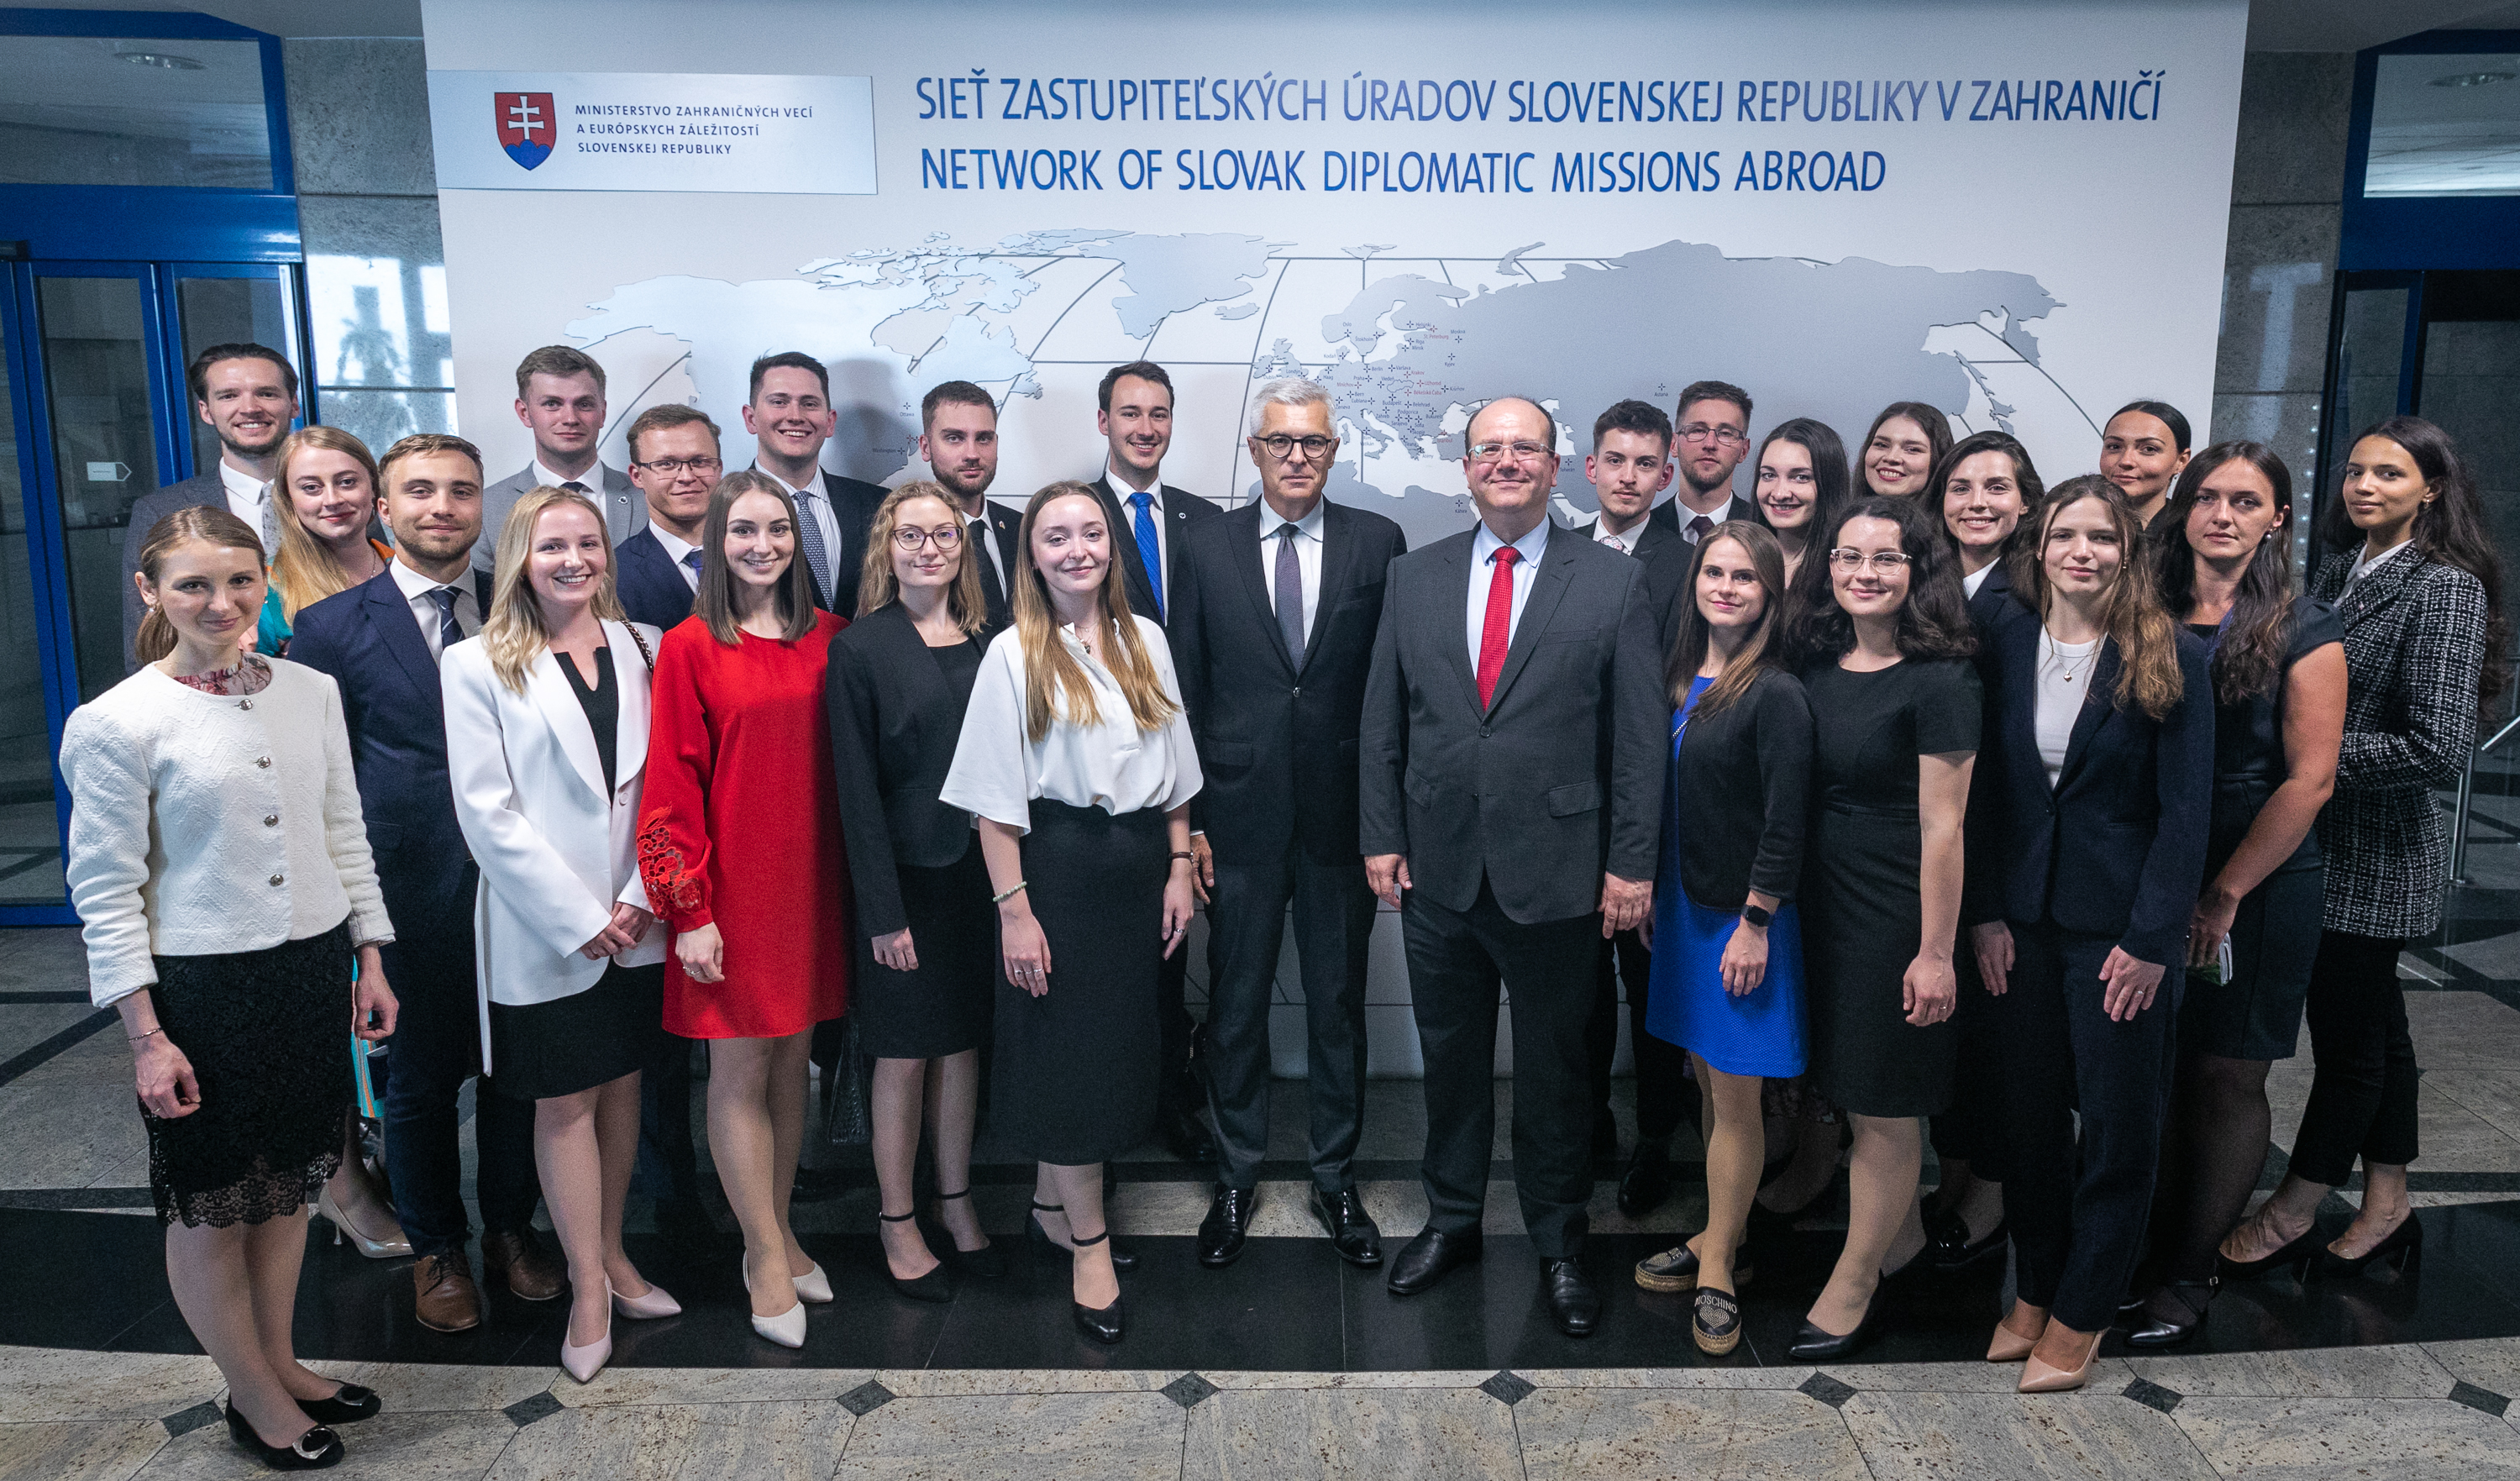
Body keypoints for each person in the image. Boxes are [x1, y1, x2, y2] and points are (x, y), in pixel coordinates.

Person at [64, 505, 396, 1468]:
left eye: (241, 580)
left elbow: (346, 830)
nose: (221, 601)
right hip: (200, 992)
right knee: (212, 1200)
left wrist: (368, 953)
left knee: (288, 1184)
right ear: (151, 591)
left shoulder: (309, 690)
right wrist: (145, 1036)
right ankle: (252, 1395)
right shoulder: (117, 721)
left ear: (267, 582)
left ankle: (282, 1358)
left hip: (305, 970)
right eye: (195, 584)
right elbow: (106, 890)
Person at [1360, 395, 1665, 1338]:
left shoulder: (1609, 582)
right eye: (1488, 447)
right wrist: (1381, 835)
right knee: (1450, 1063)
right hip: (1437, 872)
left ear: (1555, 465)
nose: (1506, 461)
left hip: (1562, 873)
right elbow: (1383, 723)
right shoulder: (1415, 576)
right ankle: (1452, 1220)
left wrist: (1631, 864)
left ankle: (1560, 1239)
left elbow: (1640, 743)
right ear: (1465, 467)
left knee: (1556, 1073)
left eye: (1524, 447)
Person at [2220, 416, 2507, 1283]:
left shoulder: (2446, 587)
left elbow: (2437, 745)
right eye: (2354, 471)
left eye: (2389, 473)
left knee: (2348, 1041)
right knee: (2381, 1029)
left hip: (2374, 855)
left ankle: (2295, 1205)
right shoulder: (2344, 571)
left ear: (2433, 488)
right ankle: (2388, 1201)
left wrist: (2304, 758)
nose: (2364, 485)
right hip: (2321, 843)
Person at [291, 433, 567, 1333]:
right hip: (410, 893)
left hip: (521, 884)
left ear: (484, 503)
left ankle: (512, 1231)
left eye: (460, 489)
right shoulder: (334, 626)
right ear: (383, 504)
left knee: (518, 1072)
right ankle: (436, 1247)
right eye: (420, 490)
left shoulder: (523, 606)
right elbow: (319, 778)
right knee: (417, 1083)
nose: (441, 505)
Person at [940, 481, 1203, 1344]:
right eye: (1057, 535)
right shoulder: (1014, 653)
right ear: (1033, 554)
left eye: (1091, 531)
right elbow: (991, 803)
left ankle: (1055, 1206)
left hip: (1134, 873)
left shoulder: (1146, 640)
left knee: (1119, 1047)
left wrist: (1176, 866)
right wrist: (1015, 910)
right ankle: (1089, 1245)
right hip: (1055, 872)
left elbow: (1174, 771)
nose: (1078, 548)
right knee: (1069, 1058)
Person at [1971, 478, 2213, 1392]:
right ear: (2039, 547)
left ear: (2129, 549)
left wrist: (2152, 941)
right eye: (2065, 533)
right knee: (2028, 1122)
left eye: (2101, 536)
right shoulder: (2002, 641)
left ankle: (2082, 1310)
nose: (2083, 550)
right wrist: (1987, 911)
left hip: (2119, 936)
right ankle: (2033, 1288)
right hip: (2019, 925)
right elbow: (1987, 795)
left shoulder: (2171, 653)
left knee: (2117, 1127)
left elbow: (2187, 817)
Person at [1167, 379, 1408, 1268]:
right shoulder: (1205, 545)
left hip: (1345, 822)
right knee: (1233, 1008)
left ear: (1333, 451)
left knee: (1339, 1007)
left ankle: (1334, 1177)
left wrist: (1390, 820)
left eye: (1312, 442)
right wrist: (1185, 826)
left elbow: (1391, 696)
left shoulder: (1378, 543)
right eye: (1280, 441)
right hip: (1236, 820)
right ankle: (1235, 1175)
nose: (1297, 455)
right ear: (1255, 449)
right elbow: (1182, 694)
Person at [443, 489, 678, 1384]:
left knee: (622, 1090)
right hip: (545, 927)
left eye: (587, 542)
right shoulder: (476, 664)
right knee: (564, 1101)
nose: (573, 558)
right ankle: (585, 1284)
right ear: (519, 557)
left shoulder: (648, 645)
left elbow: (662, 789)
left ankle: (616, 1255)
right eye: (552, 545)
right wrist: (581, 915)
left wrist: (637, 896)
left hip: (639, 913)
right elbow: (486, 810)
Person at [2125, 444, 2343, 1346]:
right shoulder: (2148, 609)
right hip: (2156, 865)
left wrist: (2223, 893)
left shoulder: (2307, 625)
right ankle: (2151, 1240)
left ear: (2278, 517)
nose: (2221, 513)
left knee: (2227, 1072)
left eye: (2245, 500)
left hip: (2258, 881)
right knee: (2161, 1064)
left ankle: (2191, 1266)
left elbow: (2310, 780)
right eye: (2207, 496)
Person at [637, 470, 851, 1348]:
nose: (761, 544)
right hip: (732, 891)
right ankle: (762, 1252)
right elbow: (670, 784)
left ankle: (785, 1228)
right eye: (743, 531)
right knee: (738, 1072)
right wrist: (689, 908)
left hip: (817, 884)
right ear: (717, 541)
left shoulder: (834, 637)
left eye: (777, 529)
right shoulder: (690, 645)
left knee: (794, 1057)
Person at [1782, 495, 1979, 1363]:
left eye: (1887, 558)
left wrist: (1936, 953)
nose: (1865, 571)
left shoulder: (1944, 677)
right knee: (1847, 1087)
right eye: (1849, 556)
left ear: (1918, 571)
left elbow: (1946, 827)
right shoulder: (1815, 662)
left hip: (1894, 911)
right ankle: (1895, 1245)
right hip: (1817, 905)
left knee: (1884, 1107)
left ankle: (1855, 1281)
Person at [1629, 522, 1813, 1358]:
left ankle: (1719, 1272)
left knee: (1735, 1097)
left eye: (1747, 576)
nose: (1728, 586)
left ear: (1771, 595)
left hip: (1742, 925)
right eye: (1716, 570)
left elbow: (1787, 822)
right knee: (1708, 1085)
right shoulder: (1679, 679)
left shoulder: (1773, 690)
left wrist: (1757, 921)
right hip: (1684, 911)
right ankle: (1718, 1229)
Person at [826, 481, 1005, 1302]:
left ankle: (956, 1198)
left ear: (961, 546)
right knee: (900, 1056)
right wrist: (881, 912)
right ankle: (898, 1218)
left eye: (942, 534)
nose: (927, 547)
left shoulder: (988, 637)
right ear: (886, 549)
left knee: (962, 1045)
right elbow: (854, 796)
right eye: (910, 536)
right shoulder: (862, 648)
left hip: (981, 881)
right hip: (905, 887)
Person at [1086, 359, 1221, 1164]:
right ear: (1103, 421)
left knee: (1176, 948)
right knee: (1113, 960)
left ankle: (1171, 1098)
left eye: (1159, 414)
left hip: (1195, 769)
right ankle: (1114, 1105)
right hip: (1106, 780)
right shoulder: (1071, 515)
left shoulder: (1207, 522)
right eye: (1130, 413)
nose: (1146, 427)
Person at [1920, 428, 2046, 1270]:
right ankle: (1960, 1178)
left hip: (1995, 856)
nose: (1977, 502)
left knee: (2004, 1043)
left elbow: (2009, 766)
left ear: (2027, 501)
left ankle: (1994, 1188)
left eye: (1996, 487)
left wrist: (1991, 901)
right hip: (1939, 847)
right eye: (1961, 486)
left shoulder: (2026, 598)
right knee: (1957, 1043)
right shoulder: (1934, 586)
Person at [1566, 397, 1689, 1211]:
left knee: (1651, 987)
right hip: (1567, 808)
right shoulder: (1559, 554)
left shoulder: (1693, 562)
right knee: (1578, 987)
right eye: (1616, 460)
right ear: (1589, 467)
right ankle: (1587, 1122)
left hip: (1653, 806)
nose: (1630, 476)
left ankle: (1655, 1134)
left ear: (1666, 474)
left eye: (1647, 463)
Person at [122, 343, 300, 670]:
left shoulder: (340, 501)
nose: (250, 408)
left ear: (293, 404)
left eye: (267, 393)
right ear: (206, 411)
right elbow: (144, 636)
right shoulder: (162, 510)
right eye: (229, 395)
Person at [744, 350, 891, 617]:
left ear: (830, 421)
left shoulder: (880, 505)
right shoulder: (723, 510)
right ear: (750, 418)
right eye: (779, 402)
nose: (795, 415)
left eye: (809, 403)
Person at [479, 346, 640, 568]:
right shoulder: (487, 510)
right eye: (552, 404)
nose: (570, 418)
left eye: (584, 404)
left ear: (602, 413)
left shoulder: (648, 498)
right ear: (524, 413)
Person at [260, 428, 393, 659]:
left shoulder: (405, 567)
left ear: (373, 485)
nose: (332, 500)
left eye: (347, 482)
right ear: (288, 497)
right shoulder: (265, 587)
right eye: (311, 488)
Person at [917, 381, 1024, 628]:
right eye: (955, 438)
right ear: (925, 447)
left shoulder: (1022, 528)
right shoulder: (906, 540)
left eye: (984, 438)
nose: (972, 454)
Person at [613, 405, 723, 633]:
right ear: (637, 476)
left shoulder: (764, 553)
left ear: (719, 468)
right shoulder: (613, 576)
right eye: (666, 464)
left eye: (700, 461)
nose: (686, 476)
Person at [1751, 417, 1854, 593]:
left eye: (1801, 477)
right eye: (1769, 475)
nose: (1779, 493)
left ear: (1830, 485)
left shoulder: (1849, 572)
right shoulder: (1739, 559)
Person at [1666, 380, 1756, 541]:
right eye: (1698, 430)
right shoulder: (1643, 529)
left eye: (1726, 433)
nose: (1710, 444)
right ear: (1673, 444)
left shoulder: (1764, 529)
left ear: (1744, 450)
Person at [2100, 400, 2192, 528]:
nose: (2126, 461)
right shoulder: (2070, 521)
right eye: (2114, 446)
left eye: (2149, 449)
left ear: (2181, 461)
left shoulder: (2192, 536)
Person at [1856, 402, 1953, 501]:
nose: (1891, 457)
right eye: (1881, 445)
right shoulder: (1845, 515)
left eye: (1912, 449)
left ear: (1939, 459)